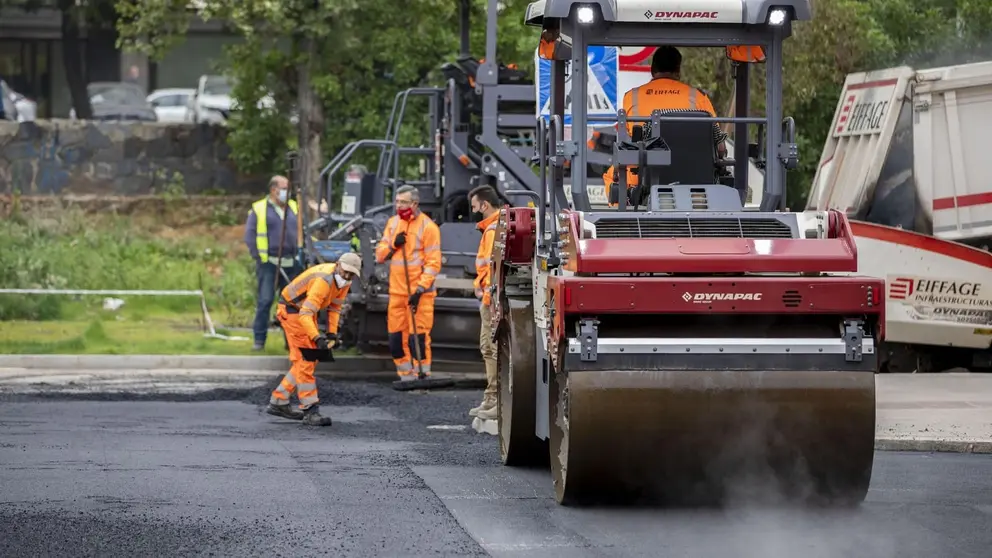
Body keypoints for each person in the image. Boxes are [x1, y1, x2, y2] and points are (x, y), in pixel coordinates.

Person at [602, 46, 729, 206]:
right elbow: (720, 148)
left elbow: (629, 140)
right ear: (678, 70)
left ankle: (623, 213)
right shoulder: (697, 96)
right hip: (696, 179)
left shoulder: (632, 97)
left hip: (645, 176)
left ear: (652, 69)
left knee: (612, 175)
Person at [266, 252, 363, 426]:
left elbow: (334, 308)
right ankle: (310, 410)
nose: (347, 276)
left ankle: (279, 400)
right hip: (293, 311)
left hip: (302, 312)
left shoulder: (343, 283)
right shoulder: (323, 280)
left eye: (351, 274)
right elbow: (305, 314)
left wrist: (332, 333)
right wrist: (317, 338)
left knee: (306, 361)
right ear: (338, 265)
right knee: (307, 360)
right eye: (346, 272)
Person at [374, 185, 442, 381]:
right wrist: (393, 245)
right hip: (397, 292)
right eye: (397, 201)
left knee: (417, 338)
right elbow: (380, 255)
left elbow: (433, 263)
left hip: (420, 294)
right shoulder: (393, 224)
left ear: (414, 203)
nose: (398, 206)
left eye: (403, 202)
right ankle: (405, 374)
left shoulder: (428, 227)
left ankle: (422, 374)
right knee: (396, 337)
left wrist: (420, 289)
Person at [244, 176, 302, 351]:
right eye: (283, 188)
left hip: (291, 263)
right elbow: (250, 235)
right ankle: (259, 341)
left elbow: (301, 231)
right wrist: (259, 257)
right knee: (265, 300)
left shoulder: (293, 207)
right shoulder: (260, 209)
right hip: (269, 263)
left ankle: (290, 342)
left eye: (287, 188)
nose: (286, 192)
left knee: (291, 304)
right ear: (273, 190)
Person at [468, 185, 501, 419]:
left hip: (490, 300)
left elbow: (490, 269)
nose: (474, 210)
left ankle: (495, 399)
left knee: (491, 349)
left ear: (484, 205)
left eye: (474, 206)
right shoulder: (497, 226)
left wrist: (487, 298)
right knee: (489, 349)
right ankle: (491, 398)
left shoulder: (492, 230)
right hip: (491, 298)